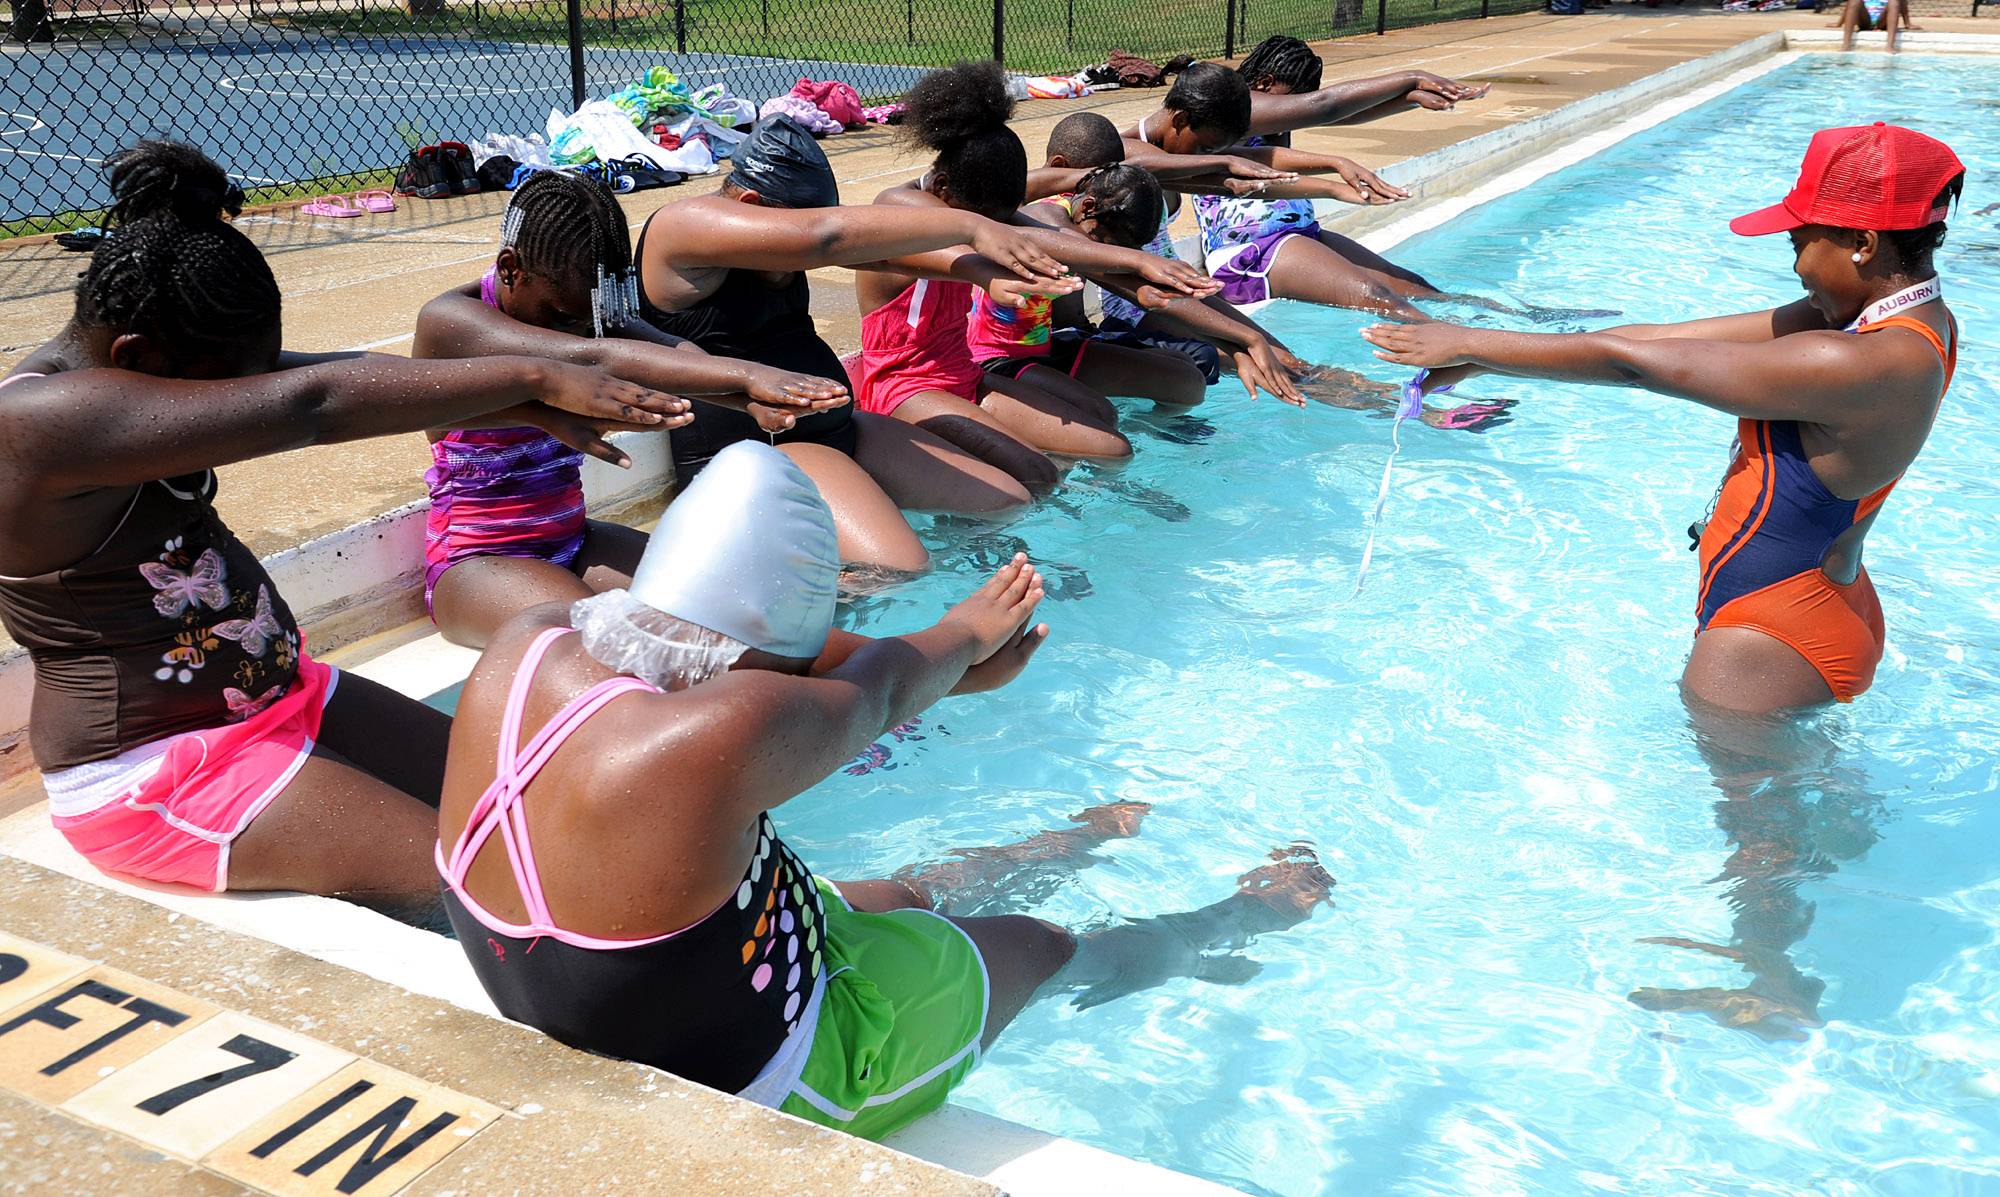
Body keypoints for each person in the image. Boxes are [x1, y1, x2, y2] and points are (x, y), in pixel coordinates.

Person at [438, 441, 1335, 1138]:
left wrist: (948, 674)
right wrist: (963, 635)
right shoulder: (718, 731)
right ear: (762, 669)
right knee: (1042, 945)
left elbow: (742, 652)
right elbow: (876, 690)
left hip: (680, 975)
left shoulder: (534, 638)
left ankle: (1069, 843)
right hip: (778, 1067)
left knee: (910, 893)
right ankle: (1227, 923)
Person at [0, 141, 681, 906]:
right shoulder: (36, 424)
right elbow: (312, 403)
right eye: (231, 387)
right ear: (135, 355)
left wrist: (525, 406)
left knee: (548, 804)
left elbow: (351, 374)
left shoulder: (133, 365)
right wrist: (536, 373)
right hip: (159, 767)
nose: (244, 395)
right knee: (506, 891)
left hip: (290, 695)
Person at [1364, 123, 1963, 714]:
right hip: (1801, 601)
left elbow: (1638, 367)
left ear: (1862, 242)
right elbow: (1657, 340)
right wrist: (1482, 358)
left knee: (1753, 811)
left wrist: (1473, 340)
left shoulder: (1852, 358)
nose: (1798, 265)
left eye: (1798, 243)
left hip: (1769, 636)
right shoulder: (1900, 328)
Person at [414, 171, 851, 648]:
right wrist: (745, 375)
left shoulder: (581, 310)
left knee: (738, 606)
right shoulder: (453, 322)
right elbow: (587, 358)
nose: (579, 329)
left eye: (590, 320)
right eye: (563, 318)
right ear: (509, 268)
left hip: (575, 541)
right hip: (477, 563)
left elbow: (675, 355)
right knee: (608, 640)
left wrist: (747, 401)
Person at [633, 116, 1079, 573]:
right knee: (900, 568)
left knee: (1008, 501)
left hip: (838, 428)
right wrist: (970, 226)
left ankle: (952, 569)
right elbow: (825, 238)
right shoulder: (683, 225)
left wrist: (981, 272)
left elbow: (873, 250)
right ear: (750, 203)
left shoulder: (782, 228)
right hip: (757, 444)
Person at [1036, 116, 1516, 432]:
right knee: (1276, 366)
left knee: (1289, 360)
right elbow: (1138, 288)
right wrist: (1241, 337)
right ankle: (1425, 413)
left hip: (1177, 292)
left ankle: (1412, 403)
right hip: (1147, 308)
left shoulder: (1118, 178)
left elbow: (1232, 171)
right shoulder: (1057, 215)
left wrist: (1327, 174)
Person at [1125, 63, 1613, 323]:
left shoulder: (1217, 122)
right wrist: (1409, 77)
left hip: (1296, 234)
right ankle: (1478, 350)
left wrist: (1402, 100)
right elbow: (1319, 111)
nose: (1290, 110)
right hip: (1253, 254)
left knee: (1411, 284)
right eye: (1288, 97)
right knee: (1378, 297)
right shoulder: (1192, 131)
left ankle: (1518, 322)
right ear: (1267, 86)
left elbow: (1322, 119)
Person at [1235, 35, 1491, 134]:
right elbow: (1326, 105)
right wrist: (1412, 77)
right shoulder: (1240, 103)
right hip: (1246, 233)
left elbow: (1342, 116)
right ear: (1266, 83)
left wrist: (1411, 97)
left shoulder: (1267, 112)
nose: (1300, 106)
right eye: (1295, 98)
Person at [1835, 0, 1916, 53]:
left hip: (1883, 20)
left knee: (1894, 2)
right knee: (1854, 1)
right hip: (1865, 19)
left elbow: (1903, 3)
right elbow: (1849, 6)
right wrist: (1839, 23)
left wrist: (1907, 23)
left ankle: (1890, 46)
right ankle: (1846, 45)